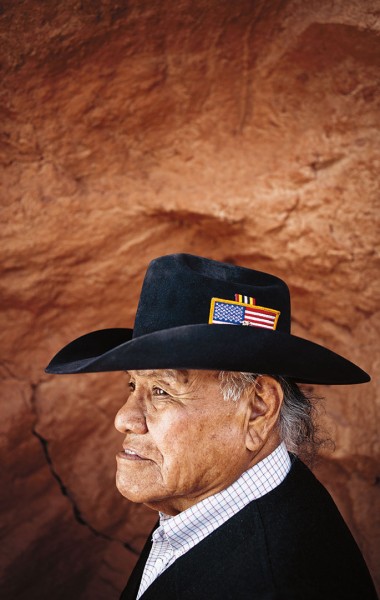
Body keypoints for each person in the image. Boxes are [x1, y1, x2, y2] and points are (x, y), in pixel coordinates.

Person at [46, 253, 377, 600]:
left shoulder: (279, 585)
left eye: (161, 390)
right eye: (133, 386)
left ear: (258, 410)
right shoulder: (217, 508)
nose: (124, 418)